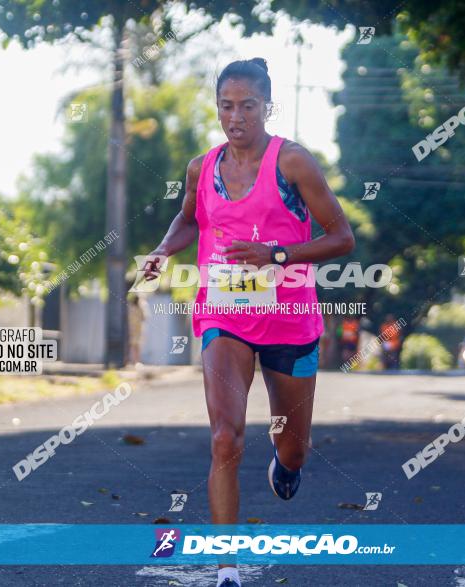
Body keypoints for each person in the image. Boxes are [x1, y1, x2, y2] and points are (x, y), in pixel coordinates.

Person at [142, 57, 354, 587]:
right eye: (226, 106)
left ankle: (286, 463)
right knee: (224, 436)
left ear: (267, 107)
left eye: (248, 106)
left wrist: (277, 255)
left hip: (289, 318)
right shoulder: (201, 167)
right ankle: (227, 568)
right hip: (223, 315)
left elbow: (342, 237)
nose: (236, 117)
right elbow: (189, 217)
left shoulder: (294, 163)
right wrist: (165, 251)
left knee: (293, 446)